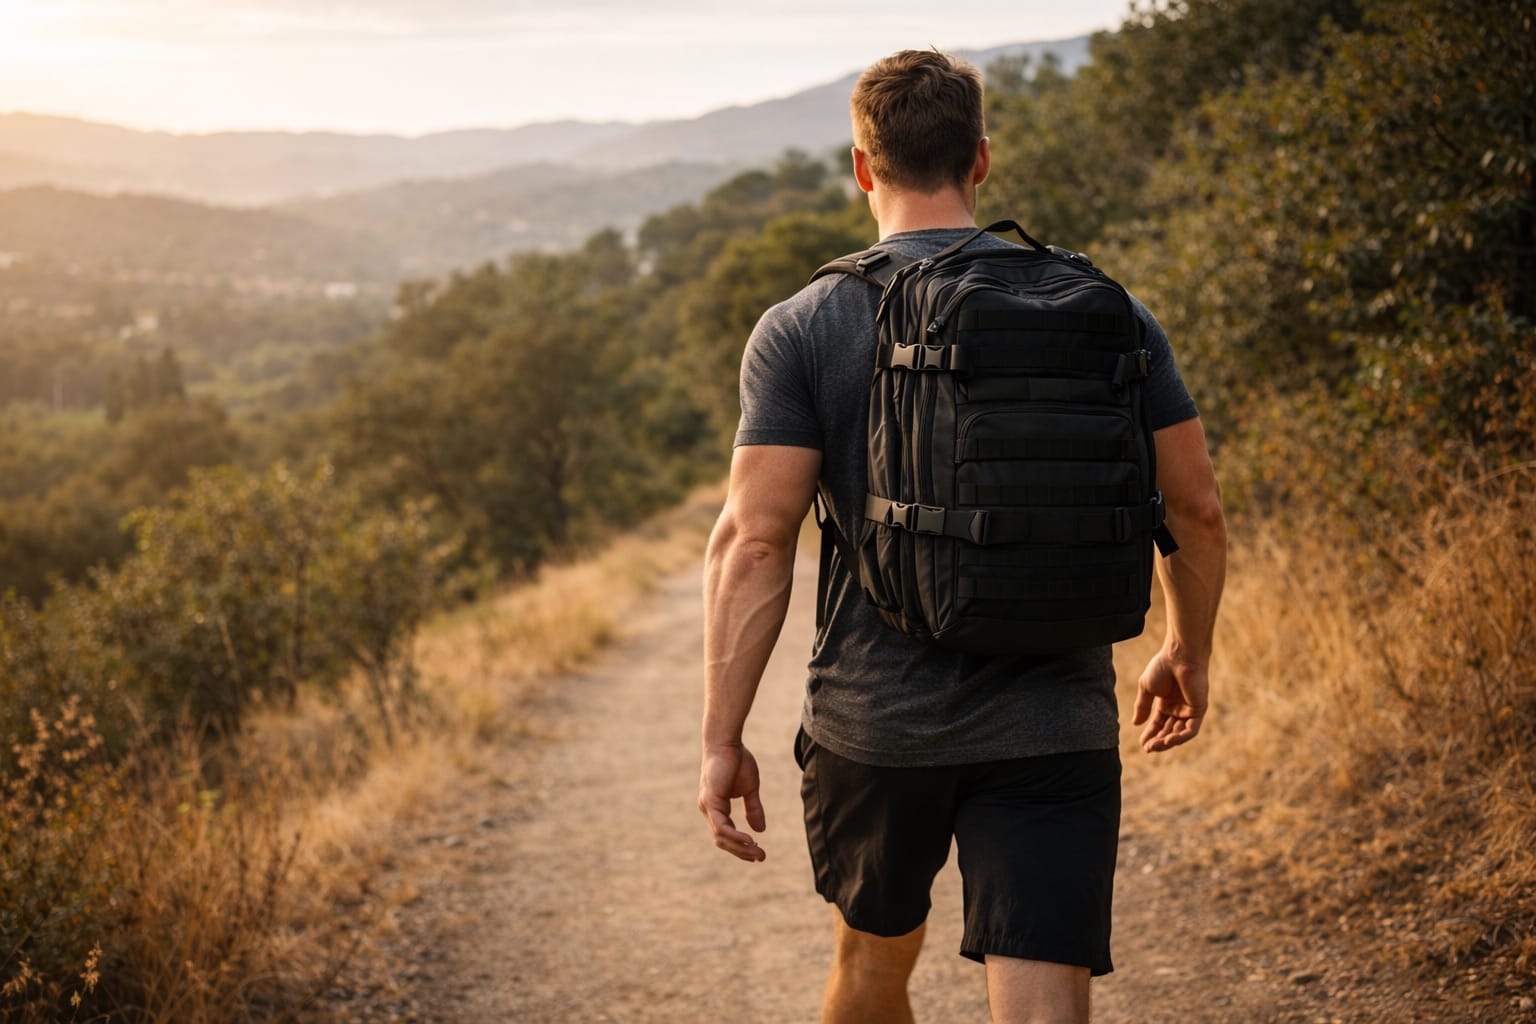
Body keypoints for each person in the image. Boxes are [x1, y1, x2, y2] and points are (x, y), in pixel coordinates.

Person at [698, 48, 1227, 1024]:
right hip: (1054, 720)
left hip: (876, 725)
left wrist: (721, 735)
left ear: (863, 167)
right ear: (980, 159)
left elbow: (756, 543)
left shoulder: (803, 325)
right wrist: (1186, 649)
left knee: (869, 969)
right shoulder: (1106, 311)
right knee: (1041, 995)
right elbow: (1195, 508)